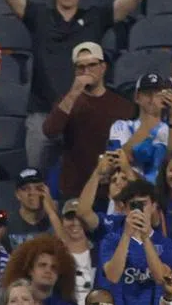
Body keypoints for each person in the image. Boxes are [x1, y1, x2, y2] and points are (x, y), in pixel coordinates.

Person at [0, 0, 150, 173]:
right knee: (35, 183)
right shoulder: (39, 16)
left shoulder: (95, 18)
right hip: (42, 115)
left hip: (84, 116)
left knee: (89, 178)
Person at [43, 42, 135, 201]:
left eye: (92, 65)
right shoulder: (67, 102)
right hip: (75, 191)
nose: (86, 71)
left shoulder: (123, 106)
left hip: (112, 192)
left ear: (103, 67)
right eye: (81, 67)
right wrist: (74, 93)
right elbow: (50, 130)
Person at [101, 178, 172, 305]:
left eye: (143, 204)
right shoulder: (111, 240)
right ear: (124, 209)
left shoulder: (167, 244)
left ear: (154, 205)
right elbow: (112, 276)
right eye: (133, 206)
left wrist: (145, 237)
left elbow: (161, 278)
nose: (138, 210)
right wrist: (126, 235)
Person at [110, 73, 172, 184]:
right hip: (128, 192)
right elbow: (115, 162)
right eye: (147, 94)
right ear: (137, 97)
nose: (152, 99)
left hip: (163, 195)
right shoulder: (121, 126)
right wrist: (148, 125)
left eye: (158, 94)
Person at [1, 234, 83, 305]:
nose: (48, 270)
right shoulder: (14, 304)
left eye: (54, 267)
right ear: (30, 270)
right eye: (42, 265)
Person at [6, 168, 58, 249]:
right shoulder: (8, 226)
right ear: (17, 194)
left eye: (38, 188)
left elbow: (67, 251)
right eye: (26, 189)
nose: (32, 193)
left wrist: (52, 213)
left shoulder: (57, 221)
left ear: (46, 191)